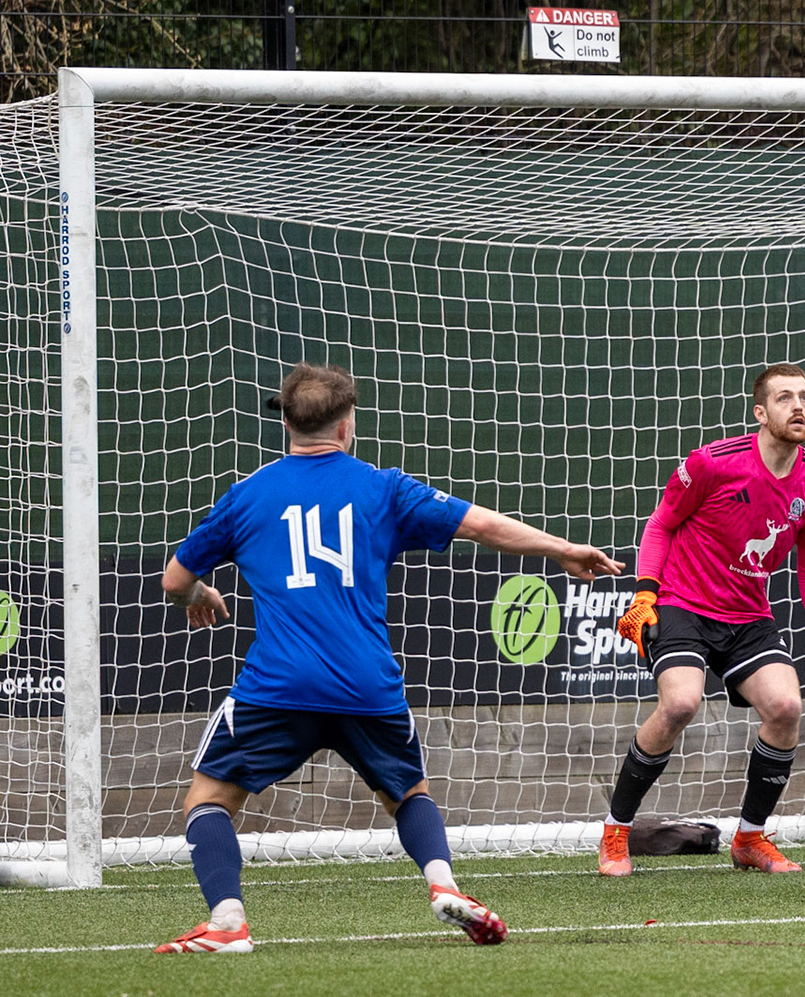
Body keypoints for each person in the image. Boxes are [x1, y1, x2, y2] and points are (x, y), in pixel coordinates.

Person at [154, 363, 622, 954]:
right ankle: (445, 885)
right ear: (346, 425)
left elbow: (175, 580)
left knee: (209, 799)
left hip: (280, 687)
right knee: (408, 794)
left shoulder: (247, 496)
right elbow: (482, 526)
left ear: (287, 425)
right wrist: (562, 549)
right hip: (367, 686)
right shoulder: (384, 488)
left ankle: (227, 922)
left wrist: (200, 594)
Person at [602, 364, 805, 876]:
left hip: (748, 615)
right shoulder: (713, 462)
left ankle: (750, 839)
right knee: (680, 704)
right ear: (761, 412)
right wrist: (645, 595)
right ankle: (616, 831)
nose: (799, 406)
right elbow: (660, 524)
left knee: (786, 707)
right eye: (785, 398)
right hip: (683, 603)